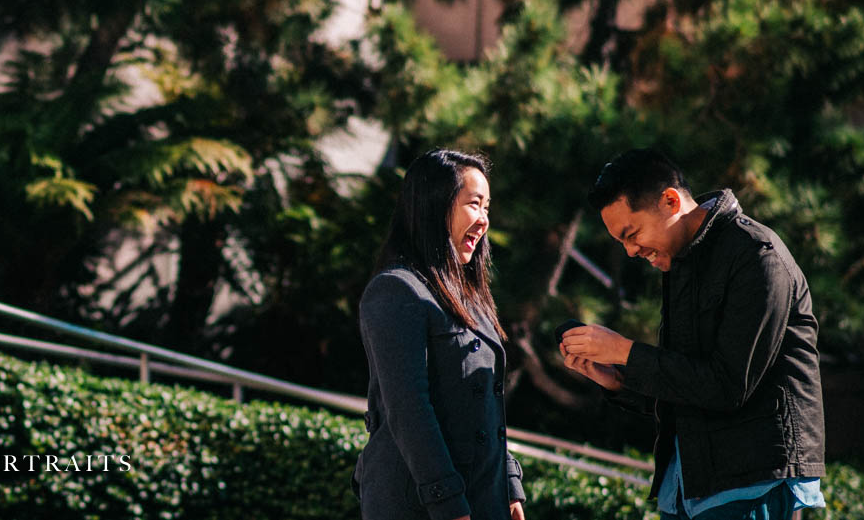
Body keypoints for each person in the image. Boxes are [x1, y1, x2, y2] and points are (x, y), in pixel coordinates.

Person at [560, 148, 826, 520]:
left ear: (670, 201)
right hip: (687, 488)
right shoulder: (682, 262)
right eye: (621, 241)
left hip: (750, 486)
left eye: (631, 233)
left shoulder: (756, 256)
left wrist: (626, 352)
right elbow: (687, 383)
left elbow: (727, 386)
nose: (631, 250)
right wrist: (618, 381)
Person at [352, 149, 526, 520]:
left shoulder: (470, 296)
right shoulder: (396, 290)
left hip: (481, 496)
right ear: (434, 205)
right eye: (474, 204)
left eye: (487, 208)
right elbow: (408, 409)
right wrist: (446, 501)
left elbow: (484, 410)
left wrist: (509, 486)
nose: (483, 221)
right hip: (419, 504)